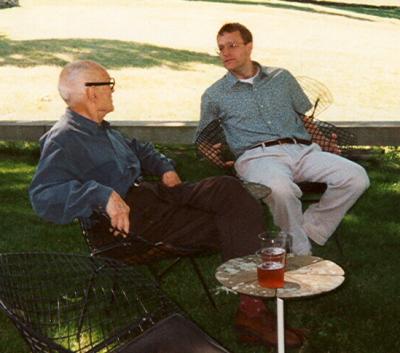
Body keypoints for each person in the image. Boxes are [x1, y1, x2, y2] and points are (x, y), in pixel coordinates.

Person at [29, 60, 306, 348]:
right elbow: (44, 195)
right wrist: (102, 195)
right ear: (90, 92)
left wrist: (164, 167)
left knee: (228, 189)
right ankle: (253, 313)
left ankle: (253, 305)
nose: (113, 91)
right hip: (128, 227)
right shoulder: (65, 138)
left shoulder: (102, 129)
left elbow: (140, 148)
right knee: (234, 222)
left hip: (155, 198)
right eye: (108, 84)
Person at [196, 22, 370, 256]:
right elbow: (202, 138)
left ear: (249, 46)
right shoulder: (214, 94)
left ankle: (308, 229)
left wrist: (323, 142)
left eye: (232, 45)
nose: (225, 53)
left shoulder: (282, 77)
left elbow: (303, 116)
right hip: (258, 157)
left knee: (356, 177)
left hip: (303, 150)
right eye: (221, 48)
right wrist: (214, 156)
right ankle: (301, 253)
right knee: (280, 190)